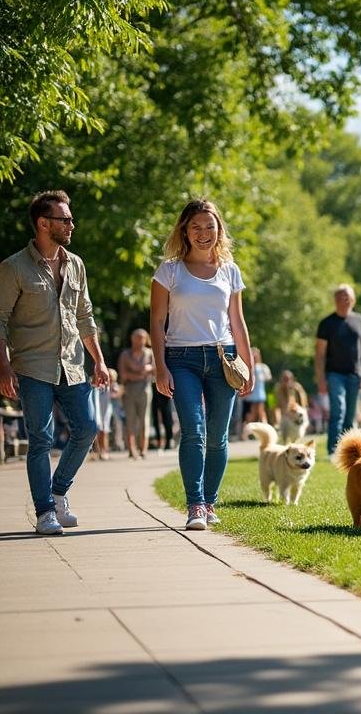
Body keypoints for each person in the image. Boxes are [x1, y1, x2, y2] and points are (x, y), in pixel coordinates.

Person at [0, 190, 109, 534]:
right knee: (41, 438)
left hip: (72, 365)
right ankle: (44, 513)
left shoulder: (76, 264)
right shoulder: (13, 268)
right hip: (32, 367)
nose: (72, 224)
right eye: (64, 219)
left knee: (86, 429)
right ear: (43, 223)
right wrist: (4, 366)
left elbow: (84, 316)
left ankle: (57, 493)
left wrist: (98, 361)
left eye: (70, 219)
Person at [151, 199, 254, 531]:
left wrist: (247, 363)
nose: (204, 233)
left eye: (210, 226)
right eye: (196, 226)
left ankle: (210, 503)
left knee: (218, 437)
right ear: (185, 230)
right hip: (182, 359)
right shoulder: (169, 271)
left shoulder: (230, 270)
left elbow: (237, 322)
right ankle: (195, 504)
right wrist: (160, 367)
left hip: (223, 357)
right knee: (194, 431)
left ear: (219, 229)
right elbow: (156, 323)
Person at [315, 284, 361, 456]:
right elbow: (319, 354)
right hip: (334, 374)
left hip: (355, 374)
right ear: (335, 300)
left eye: (346, 296)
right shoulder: (326, 323)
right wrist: (320, 379)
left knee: (350, 415)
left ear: (353, 300)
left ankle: (349, 451)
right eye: (339, 296)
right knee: (337, 411)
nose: (343, 300)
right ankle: (333, 450)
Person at [118, 328, 155, 459]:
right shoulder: (125, 355)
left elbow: (155, 371)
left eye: (142, 337)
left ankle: (143, 449)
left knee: (145, 420)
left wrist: (149, 369)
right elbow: (123, 374)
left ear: (146, 339)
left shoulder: (150, 353)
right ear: (132, 339)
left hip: (145, 390)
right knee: (130, 421)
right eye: (136, 337)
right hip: (129, 391)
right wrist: (141, 373)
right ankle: (131, 449)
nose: (139, 340)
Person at [91, 368, 120, 461]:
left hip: (106, 412)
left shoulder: (113, 386)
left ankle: (104, 451)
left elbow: (116, 394)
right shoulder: (98, 386)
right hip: (98, 411)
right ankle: (97, 451)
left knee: (104, 432)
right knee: (97, 432)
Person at [244, 347, 272, 424]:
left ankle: (264, 428)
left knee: (261, 412)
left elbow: (268, 378)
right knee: (252, 413)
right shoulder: (248, 366)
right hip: (251, 393)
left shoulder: (263, 367)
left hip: (260, 392)